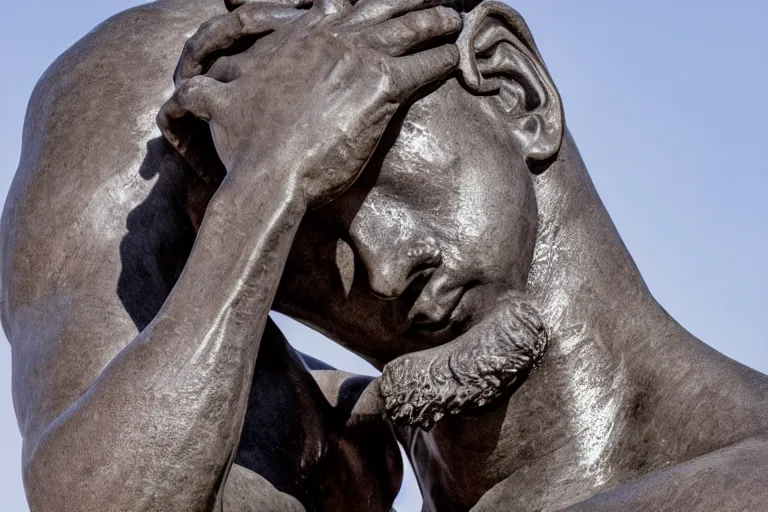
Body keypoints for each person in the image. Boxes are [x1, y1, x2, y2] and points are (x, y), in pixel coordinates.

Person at [4, 1, 768, 512]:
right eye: (307, 244)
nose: (380, 267)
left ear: (513, 90)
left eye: (371, 173)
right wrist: (268, 188)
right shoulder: (332, 449)